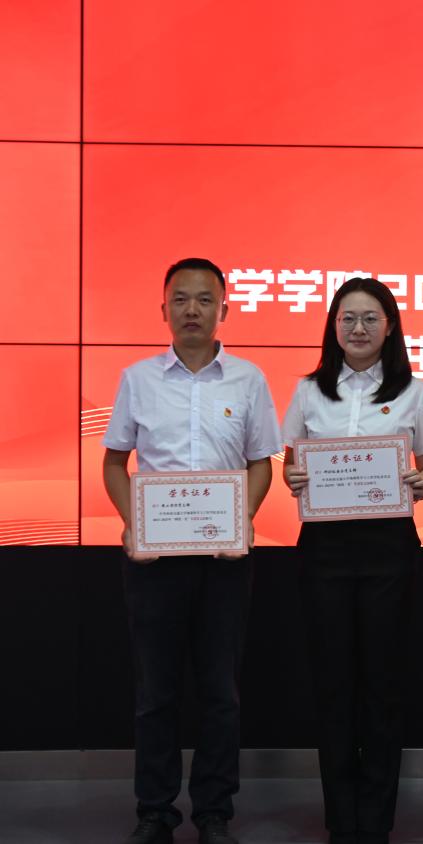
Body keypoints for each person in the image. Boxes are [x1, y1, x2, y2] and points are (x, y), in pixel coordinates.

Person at [102, 257, 282, 844]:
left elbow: (261, 463)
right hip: (154, 563)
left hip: (224, 564)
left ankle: (213, 811)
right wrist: (134, 524)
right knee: (155, 693)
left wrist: (241, 520)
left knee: (220, 693)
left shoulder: (249, 379)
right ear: (164, 310)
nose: (192, 310)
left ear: (224, 309)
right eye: (180, 299)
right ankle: (155, 810)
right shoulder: (137, 379)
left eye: (205, 299)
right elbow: (115, 463)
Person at [280, 277, 423, 844]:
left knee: (382, 685)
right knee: (333, 684)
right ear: (333, 326)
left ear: (390, 326)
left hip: (388, 548)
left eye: (370, 318)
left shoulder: (413, 391)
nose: (357, 328)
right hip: (325, 547)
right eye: (347, 318)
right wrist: (293, 477)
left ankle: (375, 820)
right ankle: (340, 818)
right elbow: (291, 464)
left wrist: (420, 483)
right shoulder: (308, 391)